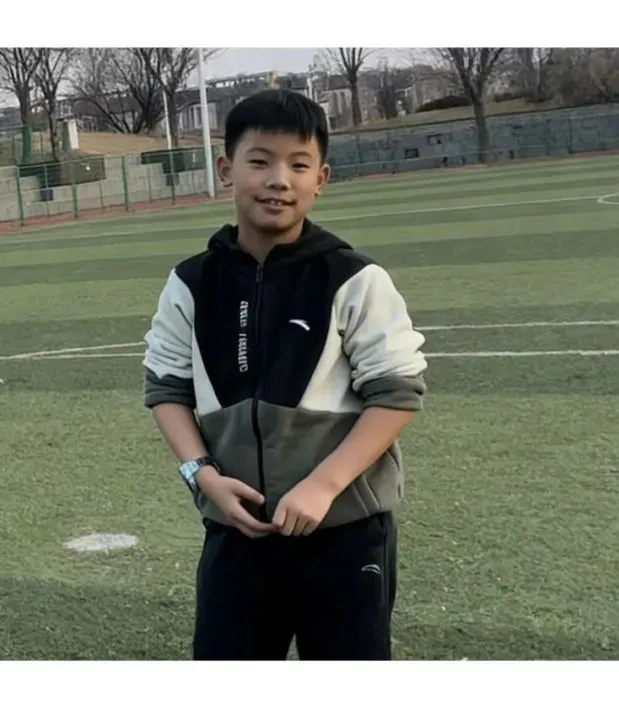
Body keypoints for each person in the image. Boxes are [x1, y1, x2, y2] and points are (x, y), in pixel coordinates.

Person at [142, 89, 427, 660]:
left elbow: (397, 393)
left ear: (321, 179)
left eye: (298, 165)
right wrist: (203, 476)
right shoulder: (192, 283)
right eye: (260, 161)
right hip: (236, 534)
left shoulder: (355, 279)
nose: (278, 180)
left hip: (344, 535)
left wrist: (324, 485)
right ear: (226, 170)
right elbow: (165, 388)